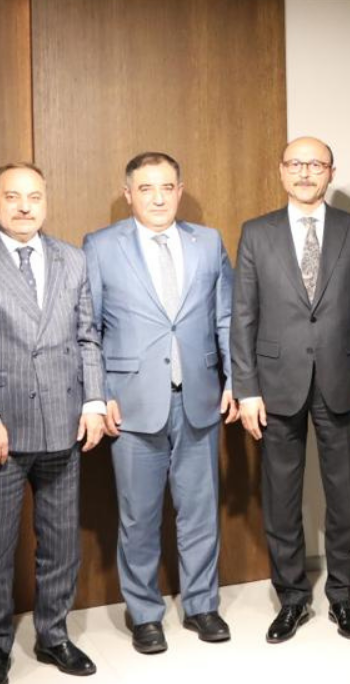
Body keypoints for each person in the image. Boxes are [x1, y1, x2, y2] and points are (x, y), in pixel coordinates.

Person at [0, 163, 105, 682]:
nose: (25, 206)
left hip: (63, 422)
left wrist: (94, 402)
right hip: (1, 431)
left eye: (34, 196)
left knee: (60, 542)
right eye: (12, 196)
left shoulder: (73, 259)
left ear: (46, 202)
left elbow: (87, 337)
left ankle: (54, 635)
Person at [83, 152, 236, 654]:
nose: (157, 198)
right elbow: (89, 329)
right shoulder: (101, 246)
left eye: (167, 187)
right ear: (128, 194)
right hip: (131, 404)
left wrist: (234, 379)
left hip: (199, 397)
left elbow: (226, 317)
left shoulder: (208, 241)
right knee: (139, 517)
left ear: (179, 190)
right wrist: (99, 395)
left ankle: (202, 606)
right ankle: (145, 615)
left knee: (200, 512)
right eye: (146, 188)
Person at [231, 137, 350, 643]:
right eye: (296, 163)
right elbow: (243, 315)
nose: (305, 172)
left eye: (316, 164)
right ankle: (291, 597)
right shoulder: (256, 233)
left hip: (341, 380)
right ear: (281, 170)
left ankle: (342, 596)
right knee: (281, 496)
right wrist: (246, 389)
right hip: (275, 385)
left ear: (331, 172)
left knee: (344, 495)